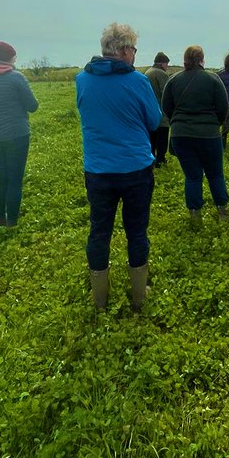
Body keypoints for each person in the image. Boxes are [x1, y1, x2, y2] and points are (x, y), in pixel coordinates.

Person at [75, 22, 162, 313]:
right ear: (124, 50)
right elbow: (153, 120)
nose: (135, 55)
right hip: (135, 168)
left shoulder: (81, 80)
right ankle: (139, 295)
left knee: (99, 231)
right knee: (136, 231)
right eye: (134, 49)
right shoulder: (138, 81)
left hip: (98, 170)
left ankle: (100, 299)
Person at [162, 46, 229, 224]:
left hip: (181, 136)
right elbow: (223, 107)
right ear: (202, 59)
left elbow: (166, 107)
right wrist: (215, 124)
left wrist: (179, 123)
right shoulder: (213, 79)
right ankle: (222, 212)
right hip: (209, 135)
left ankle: (195, 214)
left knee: (192, 176)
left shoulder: (173, 80)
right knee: (215, 174)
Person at [0, 41, 39, 227]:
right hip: (17, 134)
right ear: (9, 58)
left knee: (1, 178)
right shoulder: (16, 78)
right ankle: (12, 221)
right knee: (15, 179)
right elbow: (32, 106)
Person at [144, 52, 171, 167]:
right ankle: (161, 159)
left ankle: (152, 159)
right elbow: (166, 93)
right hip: (161, 113)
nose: (167, 66)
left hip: (149, 112)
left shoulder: (147, 73)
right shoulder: (161, 74)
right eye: (166, 64)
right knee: (162, 138)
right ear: (162, 63)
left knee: (152, 139)